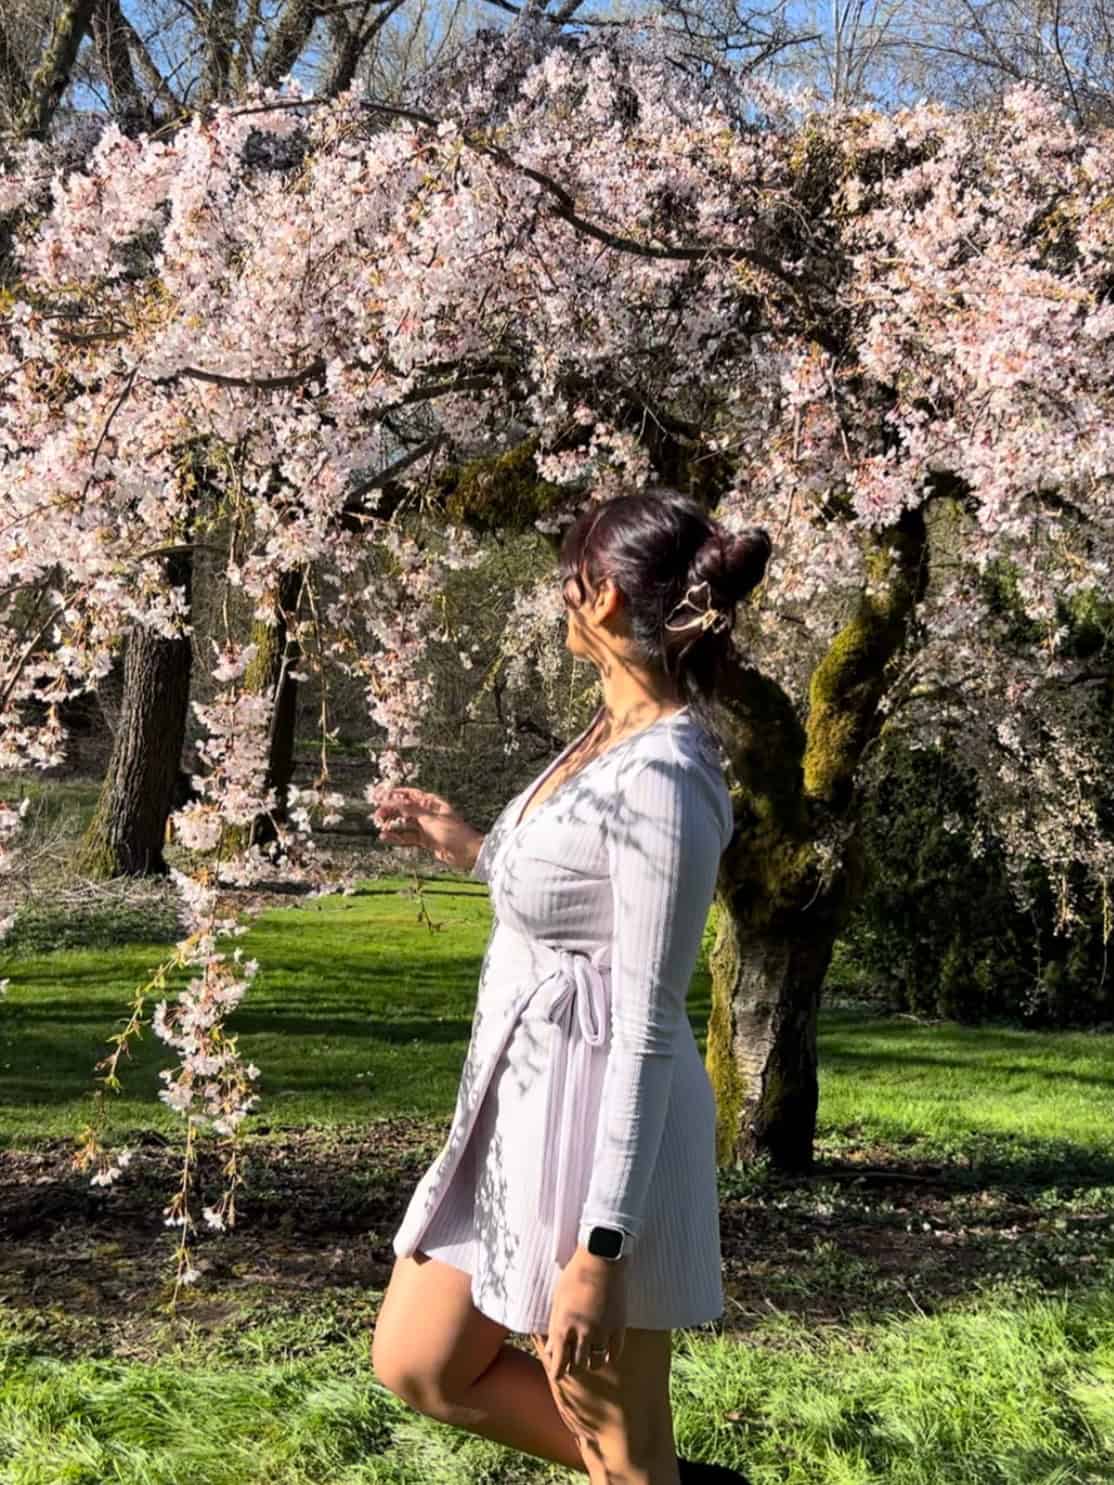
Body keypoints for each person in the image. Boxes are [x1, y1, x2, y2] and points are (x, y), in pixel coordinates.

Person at [370, 488, 770, 1484]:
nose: (558, 599)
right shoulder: (602, 737)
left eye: (567, 579)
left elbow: (644, 1022)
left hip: (602, 1140)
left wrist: (602, 1249)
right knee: (420, 1362)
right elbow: (576, 896)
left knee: (614, 1429)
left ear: (596, 598)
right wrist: (466, 844)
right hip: (520, 1107)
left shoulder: (667, 775)